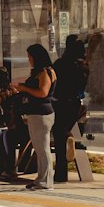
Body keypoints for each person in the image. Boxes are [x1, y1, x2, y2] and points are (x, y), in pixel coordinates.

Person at [14, 43, 56, 191]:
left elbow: (43, 93)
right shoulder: (42, 72)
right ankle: (41, 178)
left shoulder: (45, 72)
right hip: (37, 113)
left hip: (41, 114)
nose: (28, 59)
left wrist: (25, 88)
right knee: (39, 148)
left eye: (30, 56)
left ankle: (46, 180)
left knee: (43, 148)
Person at [52, 35, 88, 184]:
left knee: (58, 136)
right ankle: (68, 135)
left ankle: (61, 174)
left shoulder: (60, 64)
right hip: (75, 103)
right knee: (63, 130)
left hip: (59, 102)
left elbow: (53, 83)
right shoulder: (83, 67)